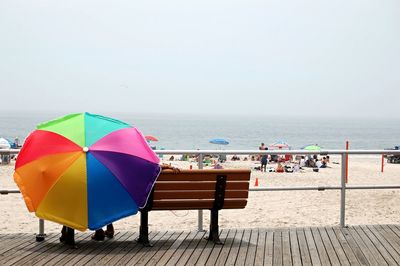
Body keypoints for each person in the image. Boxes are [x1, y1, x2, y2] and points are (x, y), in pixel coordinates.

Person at [60, 163, 180, 247]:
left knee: (86, 196)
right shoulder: (122, 164)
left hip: (83, 199)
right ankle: (104, 228)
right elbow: (154, 167)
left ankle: (72, 232)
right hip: (128, 201)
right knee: (105, 195)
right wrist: (169, 166)